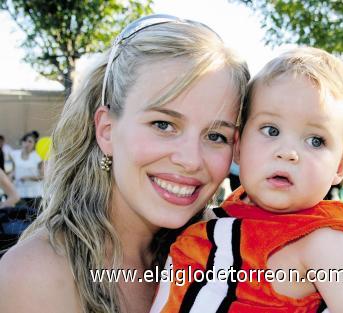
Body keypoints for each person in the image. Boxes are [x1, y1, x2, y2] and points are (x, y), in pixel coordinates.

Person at [153, 48, 343, 313]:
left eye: (315, 140)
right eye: (271, 130)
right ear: (239, 145)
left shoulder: (324, 244)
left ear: (341, 167)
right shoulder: (217, 222)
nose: (288, 152)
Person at [0, 14, 249, 313]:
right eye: (163, 124)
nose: (191, 160)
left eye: (216, 136)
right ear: (106, 130)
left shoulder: (226, 253)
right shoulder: (36, 275)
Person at [9, 132, 44, 210]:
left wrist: (29, 177)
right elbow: (14, 171)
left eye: (30, 141)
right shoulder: (15, 155)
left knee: (35, 217)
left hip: (35, 194)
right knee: (20, 218)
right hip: (19, 193)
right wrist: (10, 177)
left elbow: (43, 176)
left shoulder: (38, 157)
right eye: (25, 141)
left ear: (34, 144)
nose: (27, 144)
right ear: (22, 142)